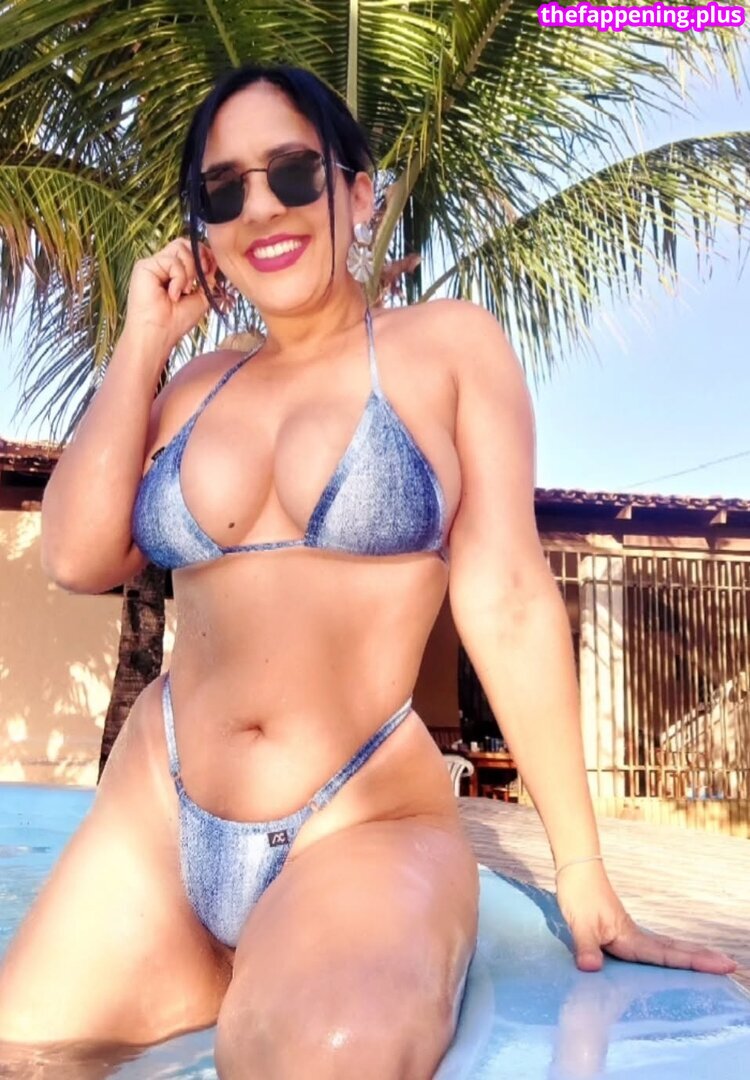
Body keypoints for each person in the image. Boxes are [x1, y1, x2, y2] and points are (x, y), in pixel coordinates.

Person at [0, 63, 736, 1079]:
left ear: (357, 191)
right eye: (224, 190)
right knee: (25, 1050)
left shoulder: (447, 348)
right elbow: (81, 555)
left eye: (292, 172)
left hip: (359, 819)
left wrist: (581, 871)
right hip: (158, 813)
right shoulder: (196, 384)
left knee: (333, 1056)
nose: (263, 207)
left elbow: (507, 599)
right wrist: (143, 340)